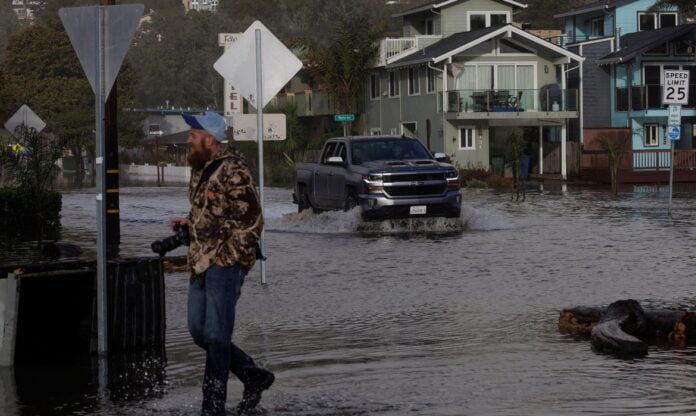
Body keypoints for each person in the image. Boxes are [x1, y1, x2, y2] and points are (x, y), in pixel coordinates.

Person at [169, 111, 274, 416]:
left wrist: (227, 259)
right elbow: (212, 214)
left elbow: (252, 222)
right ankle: (253, 376)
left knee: (217, 336)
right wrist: (188, 223)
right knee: (198, 331)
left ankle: (212, 406)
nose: (188, 138)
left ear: (209, 139)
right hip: (199, 261)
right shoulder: (200, 168)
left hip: (223, 264)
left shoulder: (234, 170)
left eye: (193, 134)